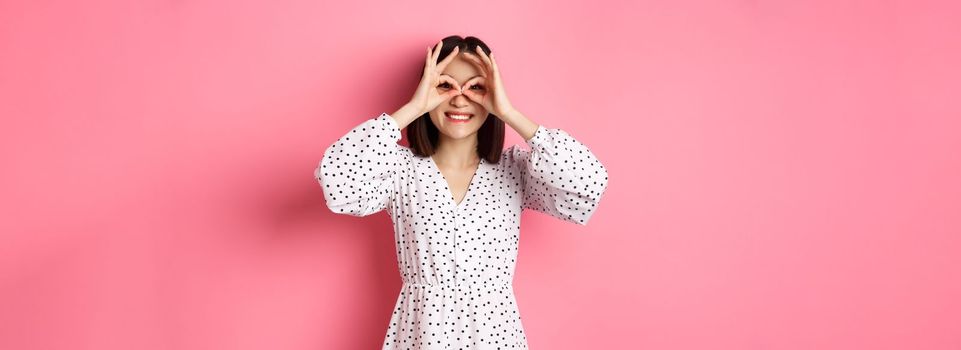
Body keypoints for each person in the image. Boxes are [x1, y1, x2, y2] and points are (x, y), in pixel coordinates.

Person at [315, 35, 609, 349]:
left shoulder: (517, 170)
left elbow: (589, 182)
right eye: (445, 86)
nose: (459, 99)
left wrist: (509, 112)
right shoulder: (399, 170)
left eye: (476, 87)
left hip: (495, 337)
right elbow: (336, 180)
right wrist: (413, 108)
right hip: (421, 336)